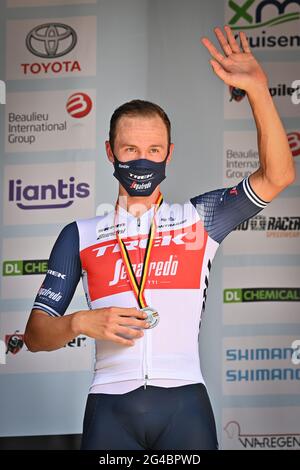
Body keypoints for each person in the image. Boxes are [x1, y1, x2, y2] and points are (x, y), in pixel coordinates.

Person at [24, 26, 295, 450]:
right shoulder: (79, 234)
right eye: (130, 150)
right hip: (109, 407)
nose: (142, 159)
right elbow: (36, 336)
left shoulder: (199, 218)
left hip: (185, 405)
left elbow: (278, 176)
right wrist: (80, 322)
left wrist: (258, 90)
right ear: (110, 152)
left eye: (153, 150)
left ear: (169, 153)